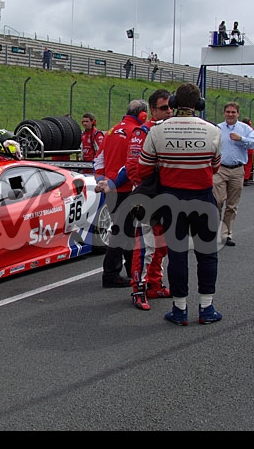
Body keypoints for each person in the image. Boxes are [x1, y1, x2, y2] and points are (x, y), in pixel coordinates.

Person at [136, 82, 222, 326]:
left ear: (173, 103)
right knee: (207, 255)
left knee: (177, 255)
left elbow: (144, 168)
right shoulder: (213, 131)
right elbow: (214, 166)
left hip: (171, 199)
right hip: (203, 198)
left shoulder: (157, 131)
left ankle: (180, 309)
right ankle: (206, 307)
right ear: (199, 104)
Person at [122, 89, 175, 309]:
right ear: (152, 110)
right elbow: (133, 168)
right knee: (145, 246)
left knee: (163, 245)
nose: (169, 112)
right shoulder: (142, 132)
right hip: (147, 197)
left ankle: (154, 283)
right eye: (164, 108)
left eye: (171, 107)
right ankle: (139, 288)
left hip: (168, 196)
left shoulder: (174, 130)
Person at [94, 99, 149, 288]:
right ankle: (111, 275)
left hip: (109, 188)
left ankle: (130, 270)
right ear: (142, 115)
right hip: (125, 188)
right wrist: (113, 182)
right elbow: (130, 165)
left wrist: (101, 180)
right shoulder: (137, 133)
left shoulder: (111, 131)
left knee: (125, 230)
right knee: (122, 232)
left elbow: (98, 158)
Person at [213, 102, 254, 247]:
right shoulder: (217, 129)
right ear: (224, 113)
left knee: (232, 205)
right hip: (220, 169)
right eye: (228, 112)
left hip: (237, 169)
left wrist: (242, 139)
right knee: (217, 201)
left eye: (233, 112)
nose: (230, 114)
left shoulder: (245, 129)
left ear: (238, 114)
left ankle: (226, 234)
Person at [241, 118, 254, 185]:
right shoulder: (251, 130)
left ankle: (241, 178)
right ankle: (246, 179)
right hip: (249, 149)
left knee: (242, 165)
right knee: (248, 165)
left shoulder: (239, 129)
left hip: (242, 149)